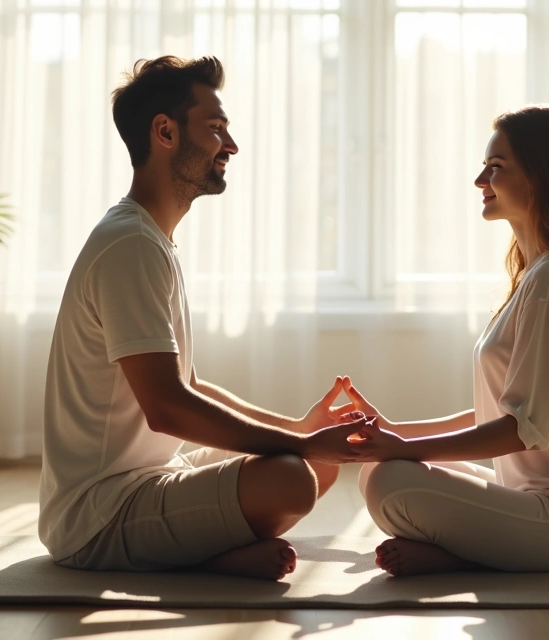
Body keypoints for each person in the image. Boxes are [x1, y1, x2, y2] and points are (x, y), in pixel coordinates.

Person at [38, 56, 363, 581]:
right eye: (215, 130)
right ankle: (207, 557)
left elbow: (186, 384)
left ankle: (205, 550)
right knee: (291, 477)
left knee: (318, 464)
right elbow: (167, 409)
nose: (230, 147)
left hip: (150, 476)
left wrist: (299, 429)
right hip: (98, 516)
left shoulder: (151, 239)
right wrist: (297, 444)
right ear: (165, 133)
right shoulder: (130, 245)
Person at [344, 106, 549, 577]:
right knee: (379, 471)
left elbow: (519, 430)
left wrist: (397, 448)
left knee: (391, 481)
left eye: (496, 167)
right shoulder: (539, 275)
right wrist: (399, 433)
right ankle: (472, 549)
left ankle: (461, 556)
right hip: (529, 502)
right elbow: (505, 413)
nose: (481, 179)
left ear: (543, 178)